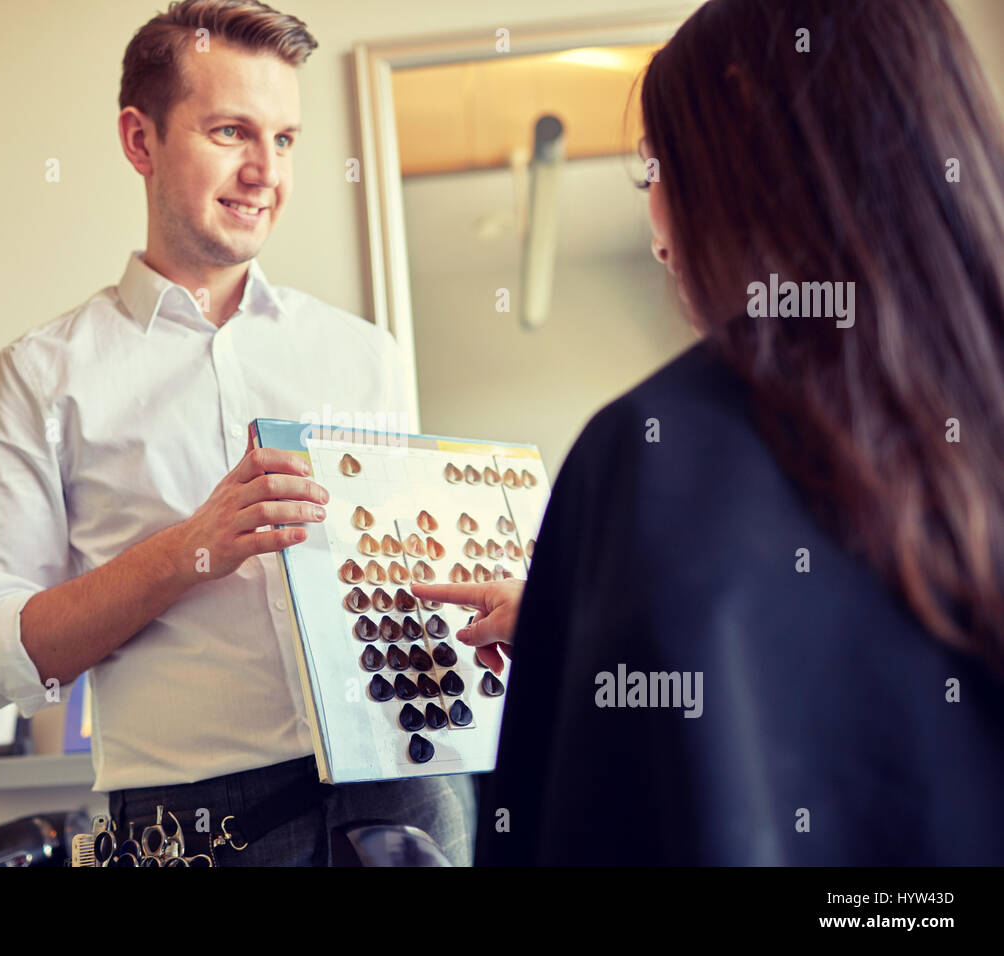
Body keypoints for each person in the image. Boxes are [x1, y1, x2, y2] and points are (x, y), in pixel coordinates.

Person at [416, 0, 1004, 865]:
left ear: (742, 122)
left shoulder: (651, 455)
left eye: (651, 166)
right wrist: (572, 619)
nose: (657, 231)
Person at [0, 0, 475, 866]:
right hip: (191, 832)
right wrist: (191, 548)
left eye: (287, 139)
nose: (266, 170)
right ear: (139, 140)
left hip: (409, 793)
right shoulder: (41, 376)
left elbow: (404, 587)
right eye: (232, 131)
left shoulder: (366, 357)